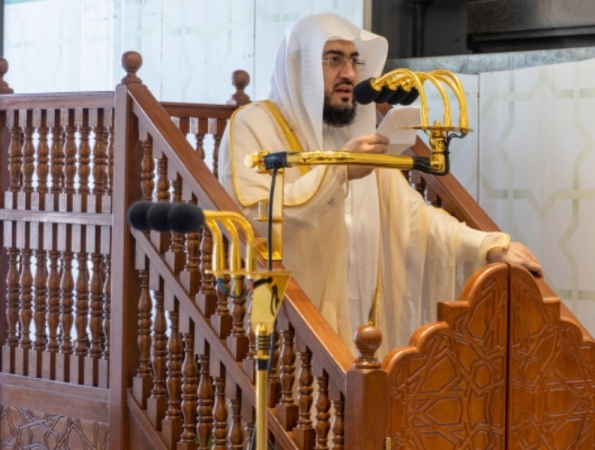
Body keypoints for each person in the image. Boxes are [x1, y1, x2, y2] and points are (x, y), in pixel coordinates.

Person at [218, 13, 542, 359]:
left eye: (354, 61)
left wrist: (489, 245)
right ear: (299, 66)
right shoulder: (255, 124)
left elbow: (417, 220)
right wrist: (339, 171)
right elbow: (255, 213)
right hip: (291, 319)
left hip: (364, 327)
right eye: (333, 60)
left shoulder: (357, 135)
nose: (350, 74)